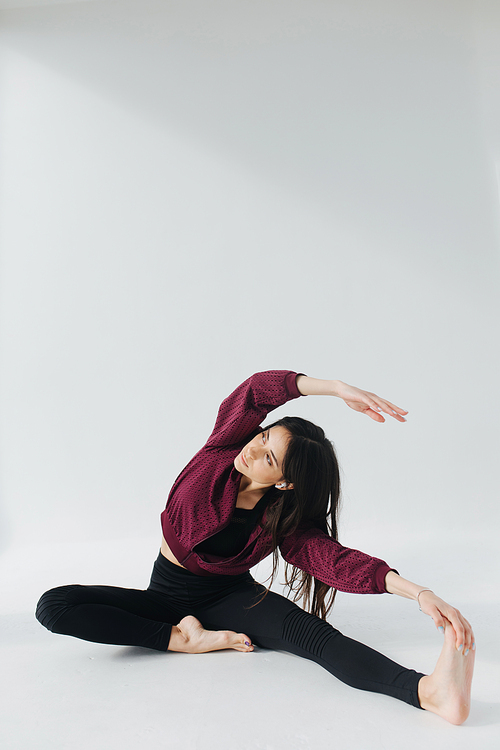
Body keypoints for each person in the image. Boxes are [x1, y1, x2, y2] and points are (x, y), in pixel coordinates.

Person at [36, 371, 475, 724]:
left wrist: (418, 592)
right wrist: (335, 388)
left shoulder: (282, 518)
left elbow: (334, 561)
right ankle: (183, 639)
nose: (254, 449)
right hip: (165, 599)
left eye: (269, 457)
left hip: (230, 598)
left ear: (284, 481)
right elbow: (255, 393)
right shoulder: (219, 452)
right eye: (264, 437)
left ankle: (430, 693)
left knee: (315, 638)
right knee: (54, 606)